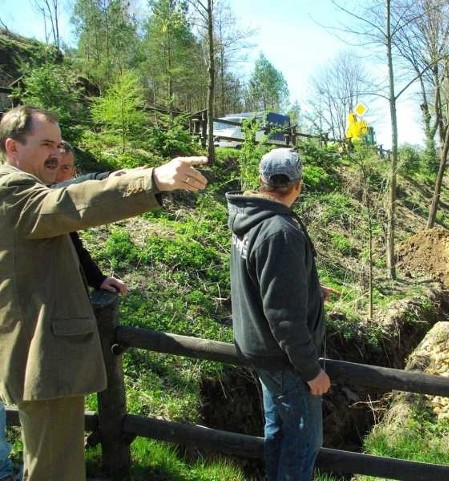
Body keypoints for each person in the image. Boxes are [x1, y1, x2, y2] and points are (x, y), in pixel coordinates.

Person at [0, 105, 208, 481]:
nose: (56, 153)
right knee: (55, 470)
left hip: (41, 356)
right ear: (13, 148)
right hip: (42, 358)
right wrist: (152, 181)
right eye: (46, 144)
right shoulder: (13, 188)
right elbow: (69, 203)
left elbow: (71, 193)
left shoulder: (21, 189)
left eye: (59, 144)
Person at [226, 148, 331, 481]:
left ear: (261, 182)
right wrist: (311, 371)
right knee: (303, 443)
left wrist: (310, 289)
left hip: (259, 349)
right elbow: (283, 317)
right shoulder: (280, 231)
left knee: (279, 434)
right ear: (298, 185)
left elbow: (262, 281)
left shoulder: (249, 219)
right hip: (285, 361)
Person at [55, 140, 127, 294]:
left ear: (72, 172)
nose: (57, 174)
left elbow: (73, 245)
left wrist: (98, 279)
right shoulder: (32, 197)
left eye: (65, 168)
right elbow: (54, 191)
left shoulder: (62, 210)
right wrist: (103, 178)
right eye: (51, 166)